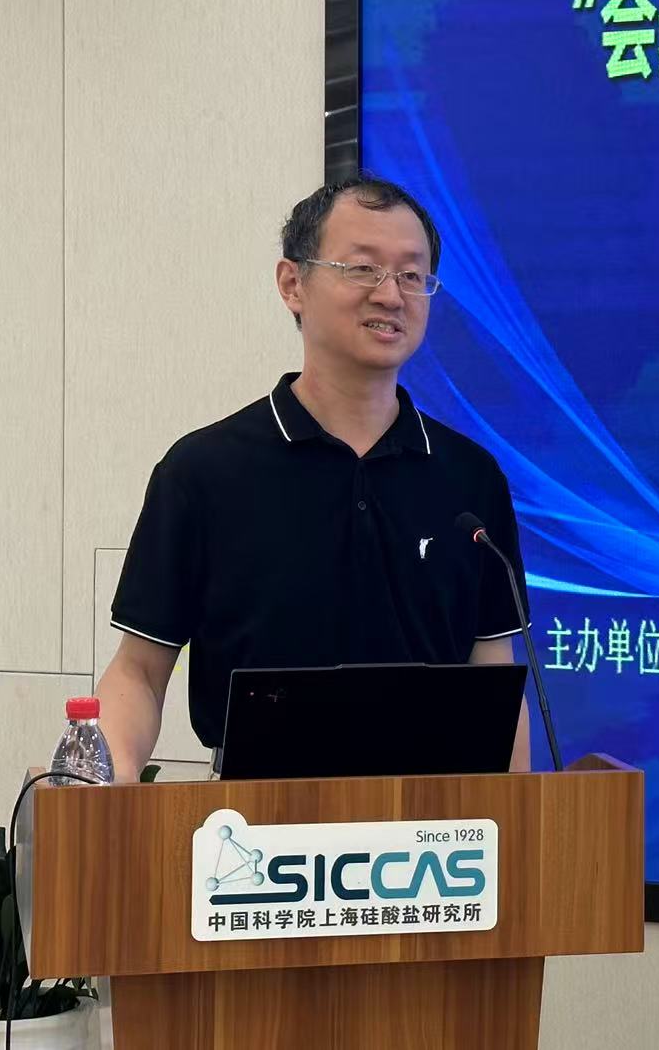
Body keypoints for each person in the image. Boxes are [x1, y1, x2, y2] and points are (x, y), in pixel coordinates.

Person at [94, 174, 532, 781]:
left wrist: (514, 823)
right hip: (255, 818)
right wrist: (105, 779)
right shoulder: (204, 471)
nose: (391, 295)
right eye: (363, 268)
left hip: (433, 827)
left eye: (412, 275)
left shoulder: (470, 478)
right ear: (292, 284)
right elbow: (139, 671)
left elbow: (493, 679)